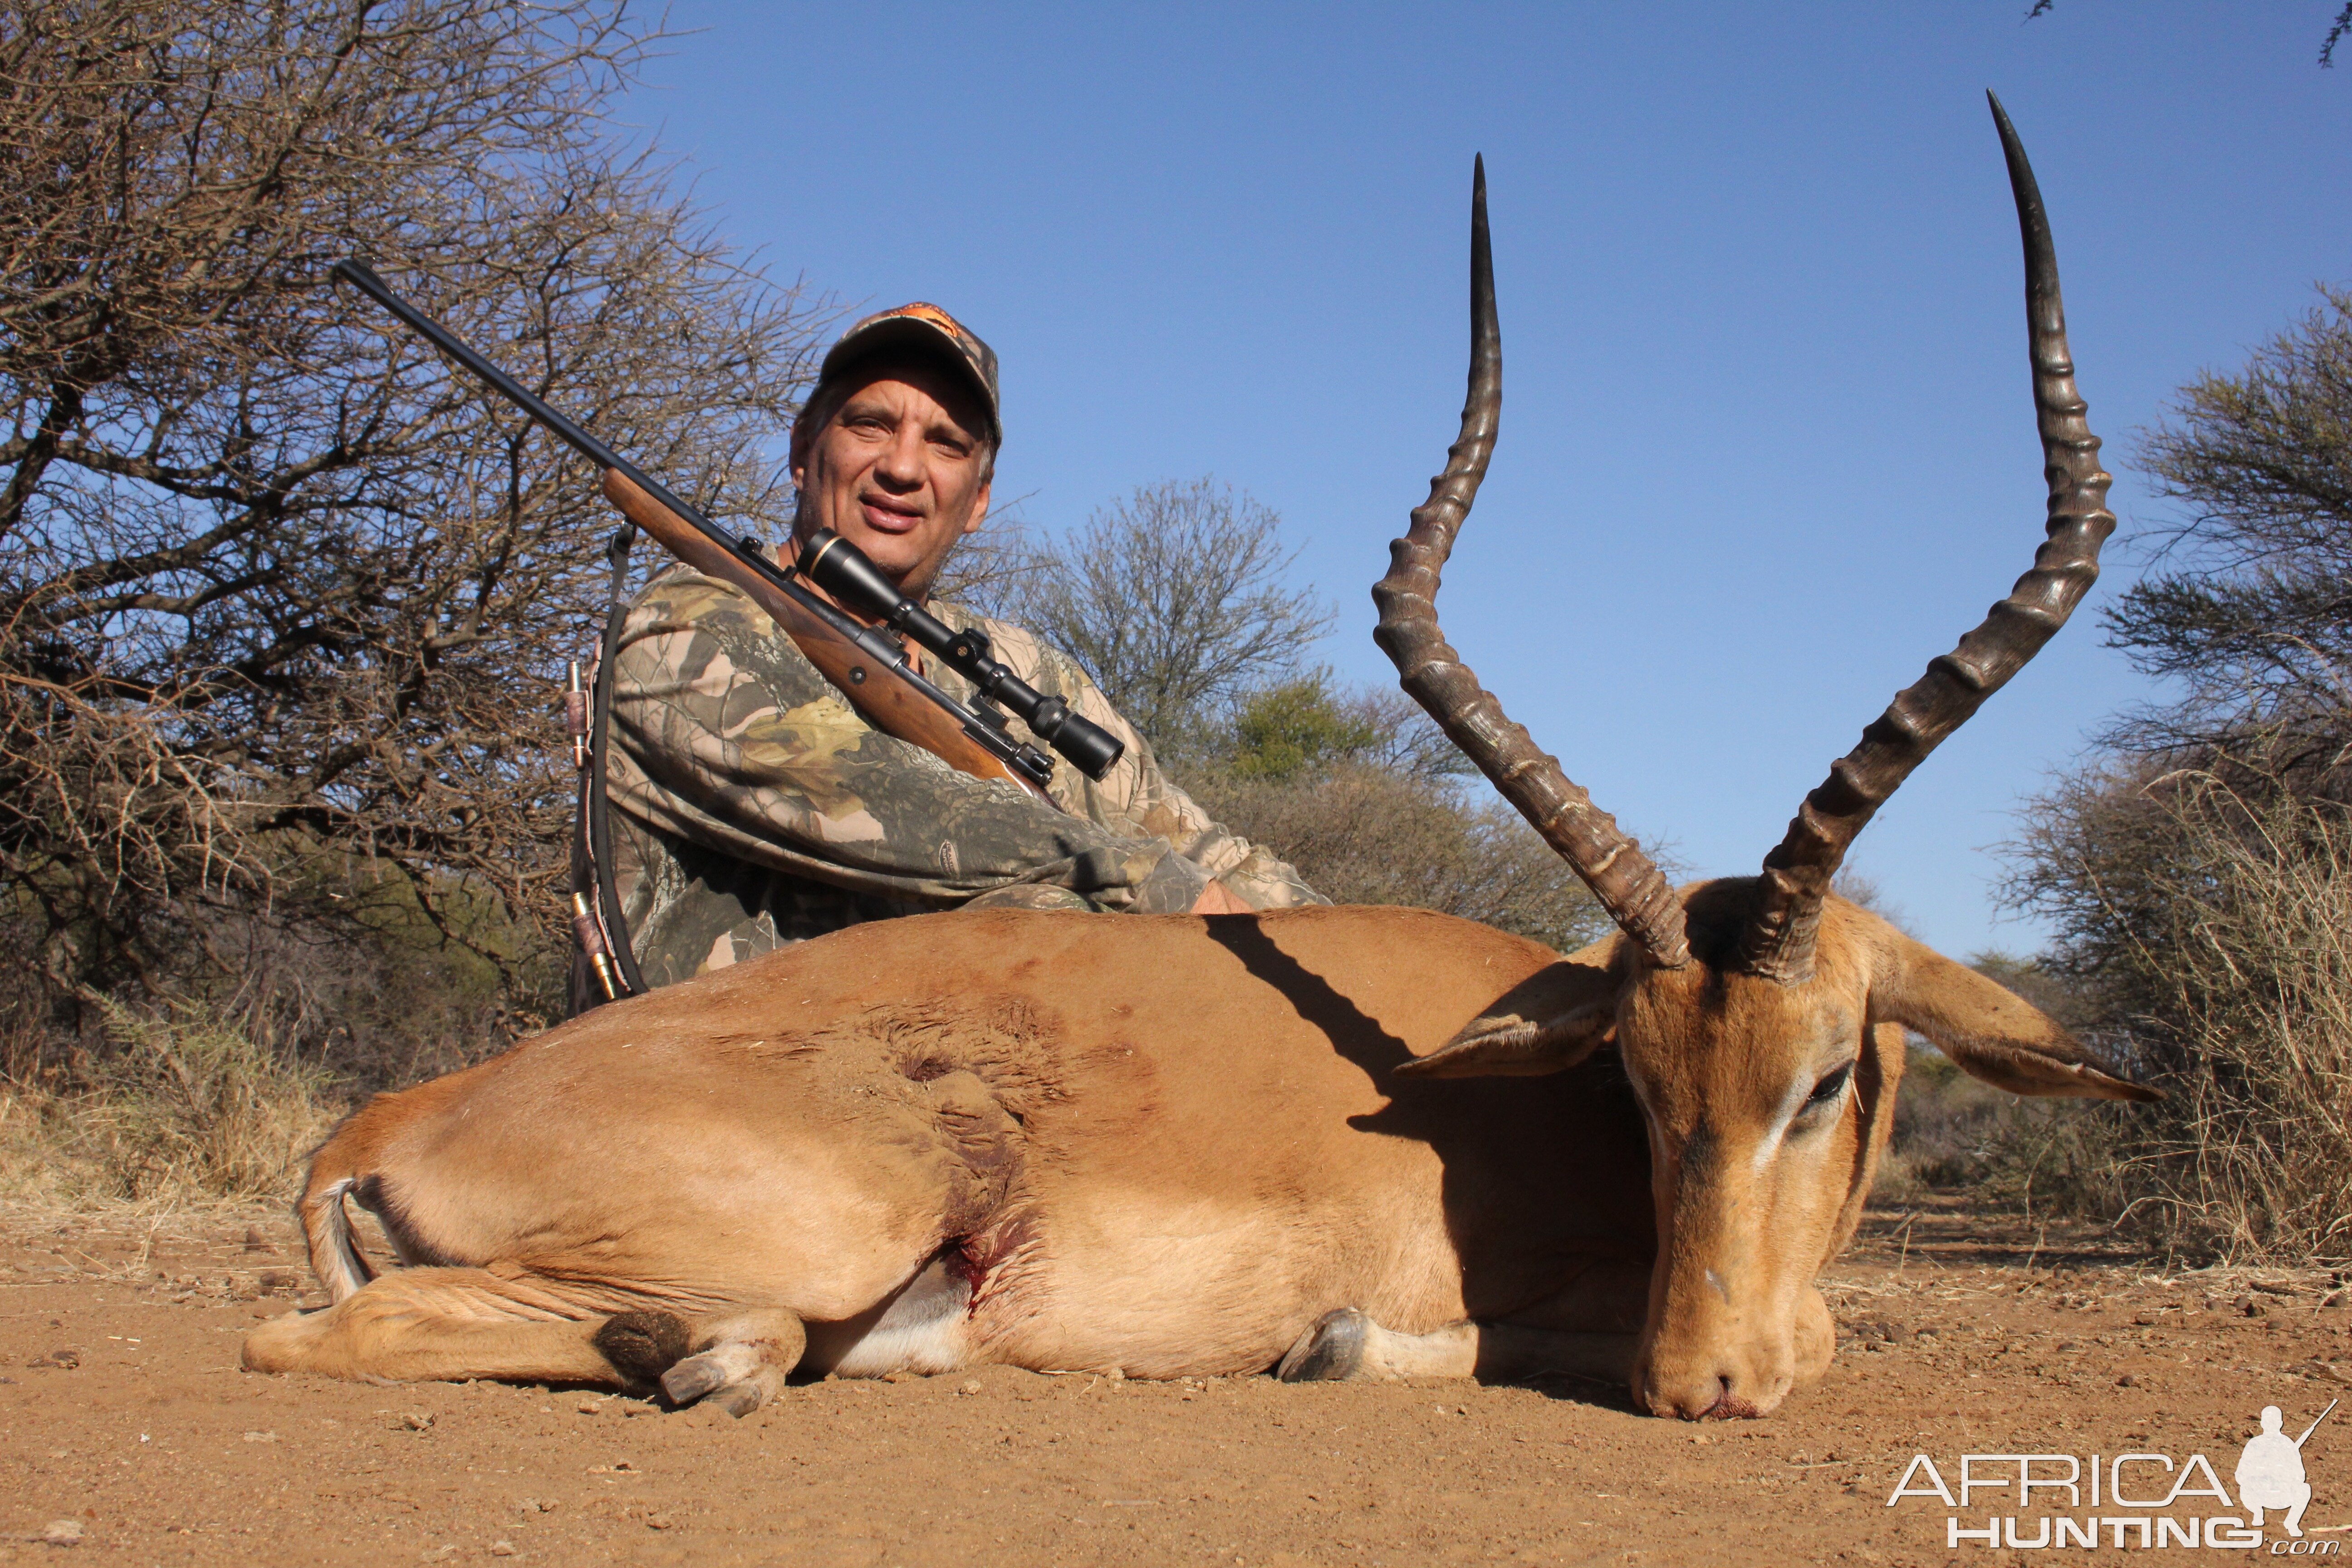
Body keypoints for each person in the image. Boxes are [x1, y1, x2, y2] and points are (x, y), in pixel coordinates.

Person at [571, 302, 1321, 1007]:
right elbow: (897, 802)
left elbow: (1207, 853)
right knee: (1044, 921)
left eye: (946, 443)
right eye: (870, 424)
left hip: (935, 1107)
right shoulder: (682, 628)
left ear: (980, 498)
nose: (902, 467)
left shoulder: (1020, 669)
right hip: (708, 1095)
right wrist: (1152, 883)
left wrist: (1353, 952)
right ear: (802, 450)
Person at [2236, 1403, 2319, 1538]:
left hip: (2281, 1493)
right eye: (2268, 1421)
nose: (2271, 1425)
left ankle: (2292, 1522)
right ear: (2262, 1423)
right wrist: (2261, 1473)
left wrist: (2282, 1473)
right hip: (2258, 1494)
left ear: (2280, 1423)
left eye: (2274, 1421)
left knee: (2305, 1489)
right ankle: (2258, 1513)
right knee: (2246, 1487)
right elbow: (2240, 1474)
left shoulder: (2288, 1444)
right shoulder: (2254, 1444)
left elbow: (2301, 1475)